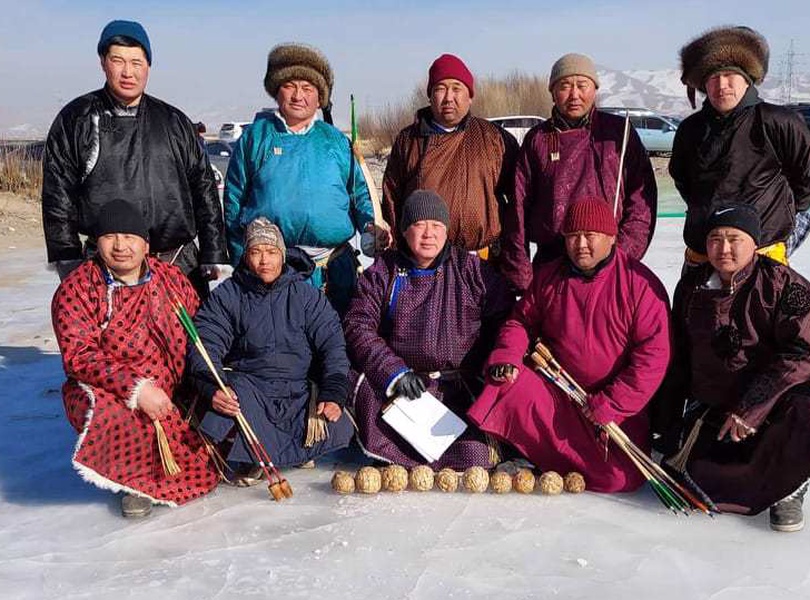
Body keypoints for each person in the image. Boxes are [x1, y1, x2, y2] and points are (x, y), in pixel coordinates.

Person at [468, 198, 670, 492]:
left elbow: (653, 357)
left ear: (611, 237)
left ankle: (550, 459)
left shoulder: (639, 285)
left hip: (610, 408)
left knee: (622, 478)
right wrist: (507, 355)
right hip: (561, 392)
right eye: (573, 236)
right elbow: (520, 322)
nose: (581, 245)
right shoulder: (549, 277)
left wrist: (613, 402)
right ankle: (523, 452)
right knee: (504, 382)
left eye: (590, 236)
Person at [51, 200, 219, 518]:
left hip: (172, 387)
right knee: (112, 415)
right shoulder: (78, 288)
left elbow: (201, 331)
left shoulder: (171, 279)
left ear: (146, 244)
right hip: (110, 390)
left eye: (130, 237)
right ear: (96, 242)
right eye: (110, 236)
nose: (120, 246)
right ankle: (135, 483)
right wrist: (137, 390)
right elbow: (79, 355)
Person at [41, 20, 227, 296]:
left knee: (186, 339)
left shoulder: (174, 122)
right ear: (103, 63)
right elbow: (58, 196)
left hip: (177, 263)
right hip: (106, 267)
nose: (128, 72)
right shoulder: (76, 119)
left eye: (136, 62)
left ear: (148, 66)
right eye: (118, 61)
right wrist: (66, 257)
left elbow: (204, 189)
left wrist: (214, 250)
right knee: (114, 340)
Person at [654, 204, 810, 531]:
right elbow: (678, 357)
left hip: (775, 402)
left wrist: (751, 407)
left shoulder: (783, 284)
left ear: (754, 242)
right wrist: (663, 424)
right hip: (718, 407)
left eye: (734, 239)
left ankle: (791, 489)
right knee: (696, 480)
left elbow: (802, 352)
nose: (724, 249)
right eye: (715, 239)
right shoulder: (692, 288)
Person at [344, 190, 514, 469]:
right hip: (403, 388)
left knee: (474, 456)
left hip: (456, 388)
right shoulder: (383, 272)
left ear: (447, 231)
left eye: (436, 226)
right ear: (404, 230)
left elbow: (506, 317)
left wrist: (493, 361)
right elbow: (357, 325)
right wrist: (394, 373)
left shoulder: (471, 270)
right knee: (362, 388)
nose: (428, 234)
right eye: (419, 225)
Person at [224, 43, 385, 316]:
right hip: (272, 272)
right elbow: (233, 203)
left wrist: (371, 226)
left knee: (336, 349)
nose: (299, 96)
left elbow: (360, 194)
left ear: (319, 97)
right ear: (277, 89)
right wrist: (243, 261)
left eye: (308, 88)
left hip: (333, 273)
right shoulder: (255, 138)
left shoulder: (335, 141)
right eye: (290, 85)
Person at [187, 217, 354, 476]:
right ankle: (252, 457)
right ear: (245, 256)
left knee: (339, 423)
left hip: (296, 389)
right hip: (251, 388)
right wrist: (213, 386)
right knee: (225, 410)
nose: (264, 260)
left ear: (283, 255)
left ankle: (297, 450)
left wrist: (334, 390)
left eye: (271, 252)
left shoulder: (306, 296)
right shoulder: (228, 295)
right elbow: (206, 342)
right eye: (256, 252)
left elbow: (332, 344)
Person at [502, 53, 657, 293]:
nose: (574, 94)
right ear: (553, 92)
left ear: (594, 89)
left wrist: (621, 257)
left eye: (582, 85)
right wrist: (523, 276)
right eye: (565, 86)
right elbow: (518, 210)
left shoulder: (618, 134)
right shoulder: (538, 140)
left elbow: (641, 202)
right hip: (552, 266)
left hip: (610, 262)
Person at [670, 26, 810, 265]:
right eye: (713, 78)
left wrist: (780, 233)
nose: (722, 85)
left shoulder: (779, 122)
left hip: (763, 252)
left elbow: (805, 184)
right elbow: (684, 180)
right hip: (704, 252)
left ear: (747, 79)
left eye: (729, 75)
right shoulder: (690, 130)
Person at [381, 54, 520, 288]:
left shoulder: (494, 139)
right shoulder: (409, 140)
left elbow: (518, 201)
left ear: (470, 96)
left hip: (483, 265)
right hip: (424, 267)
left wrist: (514, 262)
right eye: (440, 89)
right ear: (430, 95)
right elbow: (392, 199)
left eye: (457, 88)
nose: (449, 97)